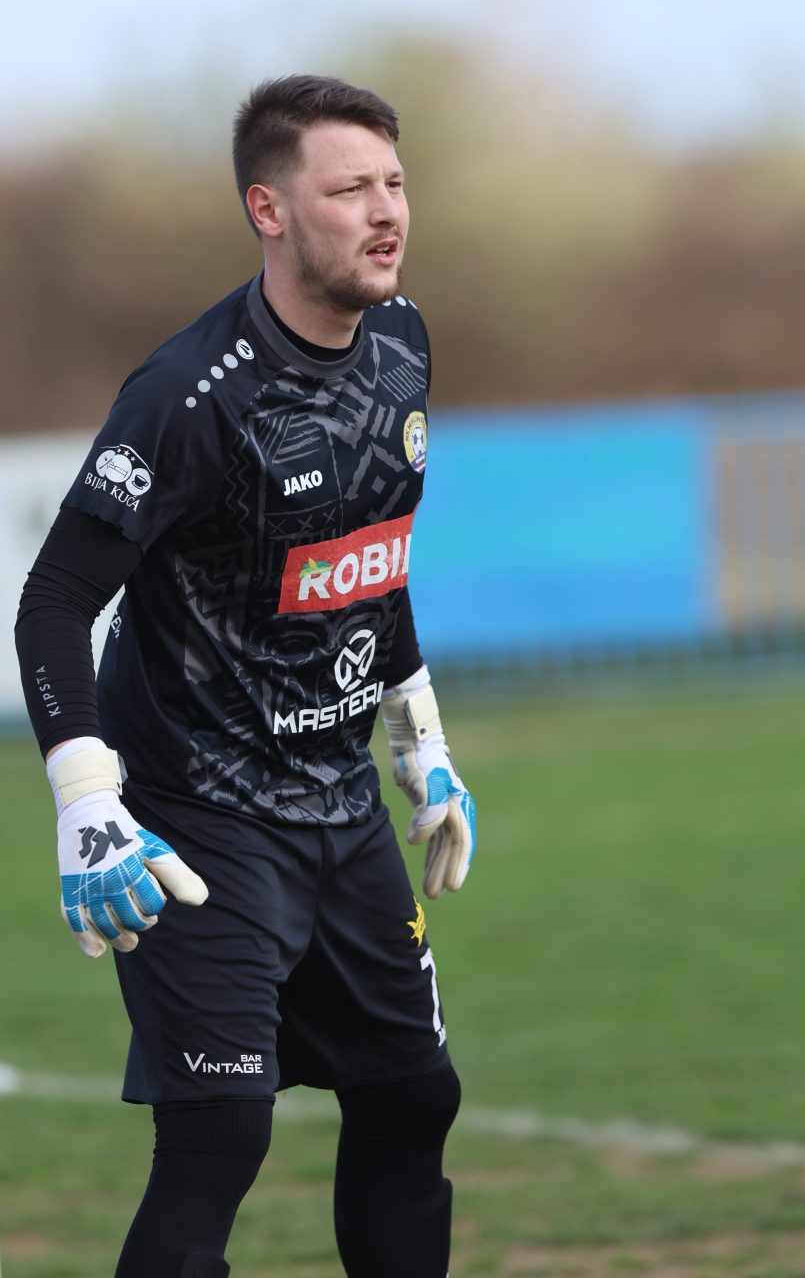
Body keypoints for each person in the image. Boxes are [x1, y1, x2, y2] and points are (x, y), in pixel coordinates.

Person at [15, 74, 476, 1278]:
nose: (386, 211)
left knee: (412, 1097)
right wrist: (86, 803)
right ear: (269, 210)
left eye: (395, 183)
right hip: (199, 820)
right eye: (350, 189)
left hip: (339, 808)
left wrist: (418, 732)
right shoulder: (187, 397)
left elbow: (368, 556)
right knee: (220, 1135)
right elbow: (54, 601)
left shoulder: (404, 343)